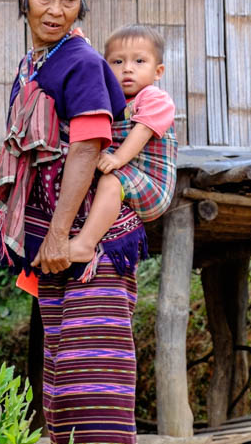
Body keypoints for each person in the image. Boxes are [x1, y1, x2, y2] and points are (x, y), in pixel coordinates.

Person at [0, 0, 146, 444]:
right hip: (57, 244)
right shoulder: (33, 66)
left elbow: (87, 146)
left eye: (69, 0)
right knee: (61, 374)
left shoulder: (78, 62)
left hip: (88, 245)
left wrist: (61, 236)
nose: (55, 9)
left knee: (94, 372)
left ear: (82, 7)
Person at [66, 25, 177, 273]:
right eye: (117, 62)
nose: (127, 68)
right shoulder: (111, 100)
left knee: (110, 181)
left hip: (153, 184)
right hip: (128, 176)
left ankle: (85, 243)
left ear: (158, 71)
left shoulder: (154, 98)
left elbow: (142, 130)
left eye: (139, 61)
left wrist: (117, 159)